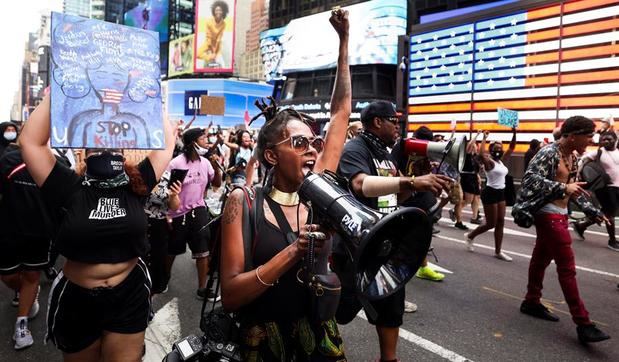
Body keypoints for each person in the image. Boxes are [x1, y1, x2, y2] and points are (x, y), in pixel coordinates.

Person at [220, 9, 350, 361]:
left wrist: (344, 43)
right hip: (265, 342)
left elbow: (339, 115)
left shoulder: (319, 190)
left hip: (318, 339)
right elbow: (230, 294)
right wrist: (295, 251)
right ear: (271, 156)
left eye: (314, 143)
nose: (311, 149)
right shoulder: (241, 201)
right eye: (298, 143)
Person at [20, 94, 176, 361]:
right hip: (77, 300)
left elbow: (167, 140)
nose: (106, 148)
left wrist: (148, 91)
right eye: (97, 142)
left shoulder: (137, 184)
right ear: (83, 152)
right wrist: (59, 89)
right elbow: (30, 141)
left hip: (129, 294)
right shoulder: (68, 187)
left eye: (114, 143)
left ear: (124, 151)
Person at [338, 102, 452, 362]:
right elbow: (359, 184)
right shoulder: (356, 148)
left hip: (385, 244)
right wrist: (410, 181)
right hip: (356, 244)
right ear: (378, 122)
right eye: (394, 120)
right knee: (339, 310)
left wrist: (419, 182)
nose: (398, 126)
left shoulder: (386, 154)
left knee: (391, 306)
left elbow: (396, 194)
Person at [514, 116, 610, 344]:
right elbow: (529, 180)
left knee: (540, 259)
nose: (591, 140)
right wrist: (562, 186)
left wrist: (593, 211)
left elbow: (574, 191)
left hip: (561, 214)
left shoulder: (573, 157)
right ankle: (583, 323)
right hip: (547, 214)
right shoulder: (548, 153)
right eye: (588, 136)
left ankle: (531, 301)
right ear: (573, 134)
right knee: (567, 268)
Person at [0, 144, 62, 349]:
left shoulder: (56, 162)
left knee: (32, 276)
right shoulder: (9, 160)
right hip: (9, 230)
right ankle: (26, 292)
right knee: (8, 276)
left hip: (40, 233)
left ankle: (22, 323)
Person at [166, 127, 222, 301]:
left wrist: (216, 165)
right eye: (203, 138)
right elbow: (167, 191)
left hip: (198, 210)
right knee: (172, 250)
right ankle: (163, 280)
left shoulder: (205, 163)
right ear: (192, 142)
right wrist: (167, 214)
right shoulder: (176, 163)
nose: (207, 141)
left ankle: (202, 288)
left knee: (203, 249)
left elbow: (217, 183)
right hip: (177, 213)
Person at [391, 126, 449, 282]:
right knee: (403, 242)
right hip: (405, 196)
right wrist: (411, 181)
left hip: (419, 196)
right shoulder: (401, 147)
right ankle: (396, 281)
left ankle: (422, 267)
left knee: (423, 234)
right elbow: (393, 169)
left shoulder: (426, 150)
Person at [465, 128, 516, 261]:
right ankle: (470, 236)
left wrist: (514, 131)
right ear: (492, 150)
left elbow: (511, 148)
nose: (499, 150)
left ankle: (498, 251)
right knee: (491, 223)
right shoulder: (489, 162)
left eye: (500, 148)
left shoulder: (501, 161)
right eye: (496, 148)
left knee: (501, 222)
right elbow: (481, 154)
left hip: (501, 193)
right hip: (490, 193)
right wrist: (484, 137)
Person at [571, 131, 619, 251]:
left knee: (607, 212)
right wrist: (577, 175)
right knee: (610, 214)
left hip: (617, 187)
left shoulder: (618, 151)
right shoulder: (598, 152)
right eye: (604, 139)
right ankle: (612, 241)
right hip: (605, 187)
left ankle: (581, 225)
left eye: (609, 139)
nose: (606, 141)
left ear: (615, 139)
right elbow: (582, 161)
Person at [144, 170, 182, 295]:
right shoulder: (140, 171)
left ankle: (152, 293)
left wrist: (174, 195)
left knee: (157, 262)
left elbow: (175, 207)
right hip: (140, 223)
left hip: (159, 226)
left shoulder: (168, 176)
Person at [459, 131, 483, 225]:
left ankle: (474, 217)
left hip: (474, 178)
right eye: (473, 145)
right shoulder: (467, 155)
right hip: (467, 177)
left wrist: (478, 175)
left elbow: (477, 169)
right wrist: (477, 135)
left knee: (477, 197)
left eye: (475, 145)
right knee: (469, 199)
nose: (474, 147)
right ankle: (455, 210)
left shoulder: (475, 157)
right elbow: (469, 146)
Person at [197, 0, 229, 66]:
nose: (218, 12)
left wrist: (215, 51)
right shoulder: (209, 22)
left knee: (223, 57)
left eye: (220, 10)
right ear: (214, 11)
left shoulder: (223, 24)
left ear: (223, 11)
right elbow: (208, 37)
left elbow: (219, 38)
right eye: (216, 10)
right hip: (209, 43)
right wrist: (211, 55)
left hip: (217, 44)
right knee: (198, 54)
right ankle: (210, 58)